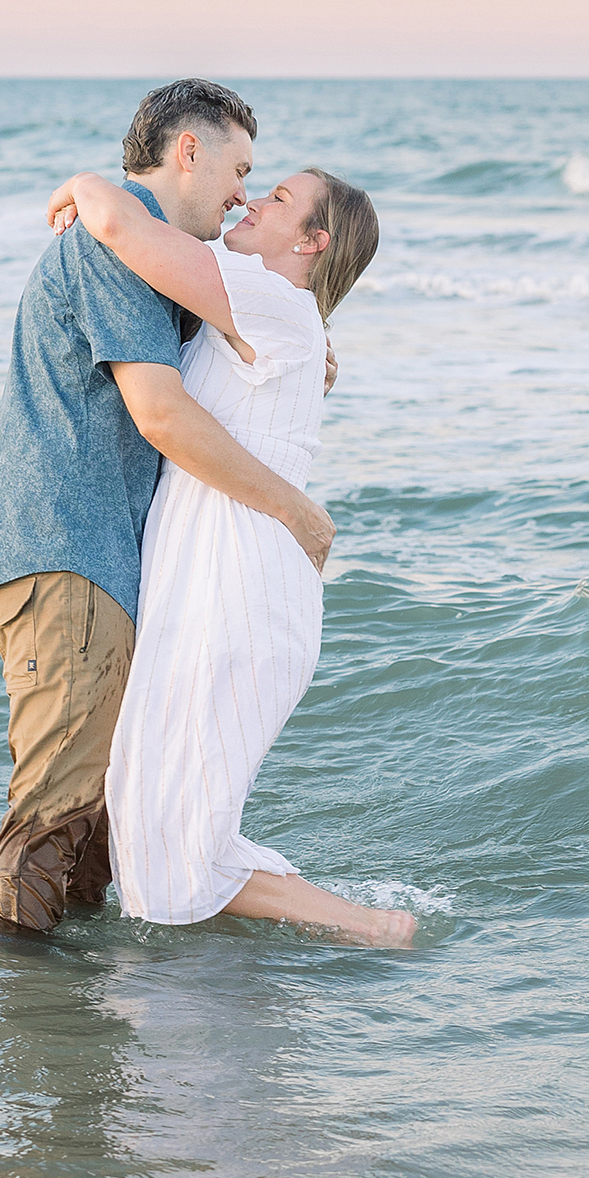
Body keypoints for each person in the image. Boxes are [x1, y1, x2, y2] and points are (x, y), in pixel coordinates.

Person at [0, 78, 333, 936]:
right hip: (71, 553)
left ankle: (88, 1025)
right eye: (241, 168)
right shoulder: (111, 247)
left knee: (97, 817)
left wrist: (302, 347)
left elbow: (230, 338)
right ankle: (29, 1029)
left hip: (92, 559)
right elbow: (161, 413)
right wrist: (295, 512)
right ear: (189, 150)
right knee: (56, 813)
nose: (244, 190)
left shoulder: (147, 254)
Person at [45, 160, 416, 950]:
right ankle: (329, 935)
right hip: (221, 579)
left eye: (276, 197)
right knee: (158, 821)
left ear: (312, 243)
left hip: (237, 585)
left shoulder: (272, 302)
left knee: (170, 842)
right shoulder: (268, 316)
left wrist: (84, 182)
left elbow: (121, 228)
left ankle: (371, 927)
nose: (249, 198)